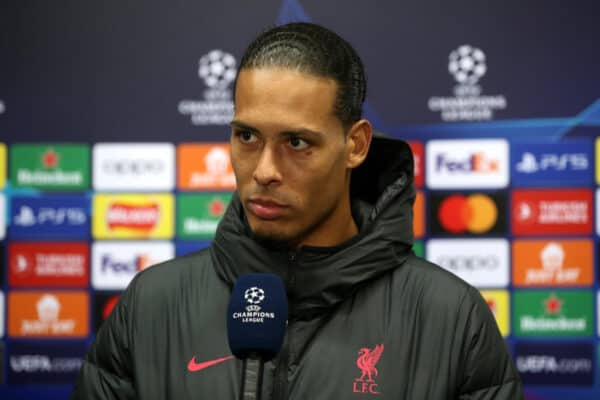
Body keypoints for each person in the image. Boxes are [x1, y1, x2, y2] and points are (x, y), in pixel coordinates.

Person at [72, 22, 522, 399]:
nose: (264, 170)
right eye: (247, 137)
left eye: (297, 142)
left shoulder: (451, 317)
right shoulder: (151, 306)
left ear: (356, 145)